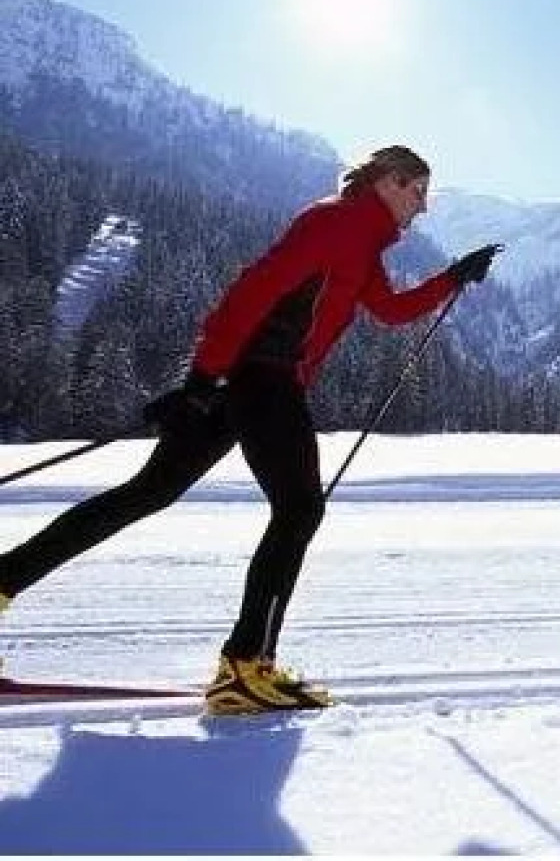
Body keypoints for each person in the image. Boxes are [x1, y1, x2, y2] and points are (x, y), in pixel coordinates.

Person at [0, 144, 500, 714]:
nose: (424, 206)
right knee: (299, 510)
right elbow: (253, 290)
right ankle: (244, 668)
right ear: (388, 181)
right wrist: (202, 377)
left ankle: (4, 581)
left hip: (241, 377)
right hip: (262, 377)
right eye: (418, 190)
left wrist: (454, 277)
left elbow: (387, 310)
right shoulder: (336, 222)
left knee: (147, 493)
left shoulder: (360, 238)